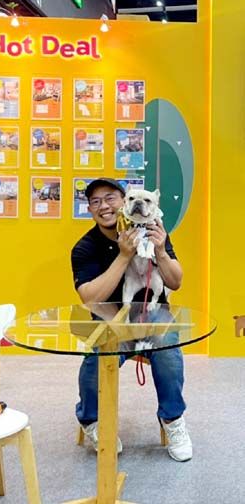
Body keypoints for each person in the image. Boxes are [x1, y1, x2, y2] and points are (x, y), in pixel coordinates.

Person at [71, 177, 192, 462]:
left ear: (122, 202)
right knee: (97, 358)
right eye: (95, 201)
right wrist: (124, 256)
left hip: (153, 314)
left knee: (167, 346)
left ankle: (173, 419)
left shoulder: (154, 231)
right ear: (90, 209)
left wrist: (161, 251)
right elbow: (90, 298)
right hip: (111, 318)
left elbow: (175, 282)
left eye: (110, 198)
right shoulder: (85, 247)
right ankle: (91, 420)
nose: (104, 206)